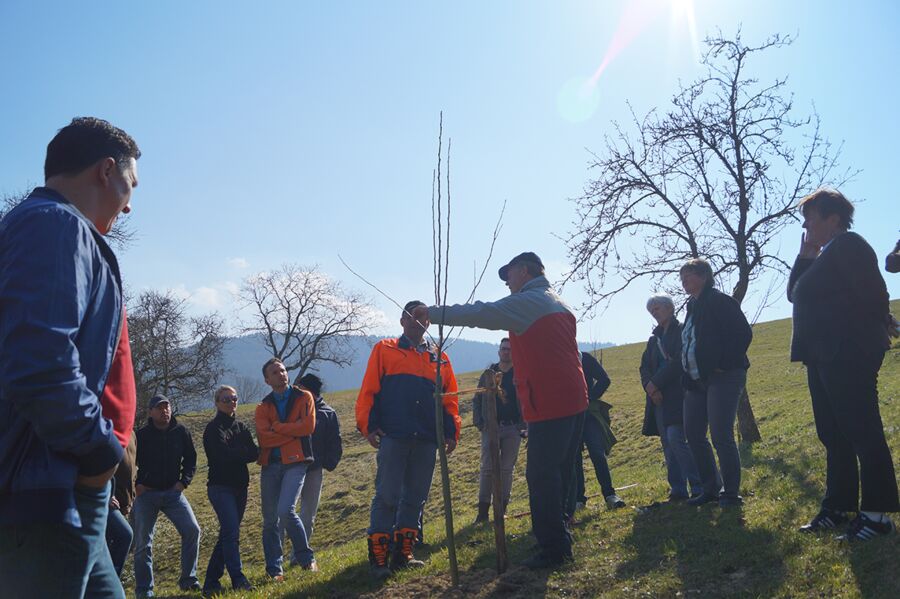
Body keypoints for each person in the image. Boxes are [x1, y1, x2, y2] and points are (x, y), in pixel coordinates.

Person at [0, 117, 140, 599]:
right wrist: (99, 451)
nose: (131, 200)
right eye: (131, 182)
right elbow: (41, 363)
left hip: (67, 481)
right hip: (53, 486)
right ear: (106, 170)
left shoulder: (52, 227)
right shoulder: (54, 225)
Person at [423, 252, 588, 569]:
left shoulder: (529, 302)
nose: (507, 282)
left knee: (541, 475)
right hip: (573, 397)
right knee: (561, 470)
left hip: (550, 401)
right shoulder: (558, 301)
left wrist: (432, 313)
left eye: (508, 275)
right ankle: (561, 532)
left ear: (524, 271)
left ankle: (553, 549)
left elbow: (483, 313)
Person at [787, 188, 898, 539]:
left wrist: (883, 319)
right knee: (833, 435)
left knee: (862, 430)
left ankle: (878, 516)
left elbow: (874, 290)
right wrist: (806, 254)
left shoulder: (850, 245)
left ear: (832, 218)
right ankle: (838, 507)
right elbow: (795, 292)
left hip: (849, 350)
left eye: (810, 217)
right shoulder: (823, 255)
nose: (806, 224)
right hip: (823, 355)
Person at [356, 300, 460, 579]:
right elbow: (369, 390)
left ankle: (404, 554)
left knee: (416, 497)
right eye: (413, 316)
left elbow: (450, 399)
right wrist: (369, 426)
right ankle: (378, 559)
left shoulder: (439, 358)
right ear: (402, 321)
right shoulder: (385, 349)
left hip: (427, 437)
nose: (419, 321)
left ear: (429, 322)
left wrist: (452, 431)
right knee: (387, 495)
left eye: (424, 317)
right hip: (394, 434)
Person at [679, 258, 752, 508]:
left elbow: (743, 333)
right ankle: (710, 489)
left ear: (703, 276)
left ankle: (731, 494)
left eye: (688, 275)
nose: (684, 281)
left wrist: (724, 363)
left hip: (724, 376)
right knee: (694, 434)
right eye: (682, 277)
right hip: (696, 381)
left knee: (721, 435)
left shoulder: (720, 301)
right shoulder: (691, 306)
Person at [133, 395, 201, 597]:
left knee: (192, 530)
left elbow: (191, 459)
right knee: (143, 543)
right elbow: (129, 461)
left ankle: (189, 580)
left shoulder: (181, 432)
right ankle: (145, 590)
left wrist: (183, 482)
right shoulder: (142, 435)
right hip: (147, 495)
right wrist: (137, 485)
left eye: (167, 406)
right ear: (151, 412)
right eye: (159, 408)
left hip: (173, 493)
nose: (165, 411)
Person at [256, 358, 317, 579]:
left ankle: (306, 558)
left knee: (285, 510)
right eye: (274, 372)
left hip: (296, 462)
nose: (281, 374)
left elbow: (309, 427)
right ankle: (274, 568)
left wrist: (279, 428)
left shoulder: (304, 396)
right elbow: (264, 439)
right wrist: (293, 432)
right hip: (270, 465)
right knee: (270, 519)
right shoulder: (263, 406)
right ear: (267, 380)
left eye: (282, 370)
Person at [639, 294, 701, 502]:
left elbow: (678, 363)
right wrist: (651, 388)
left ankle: (698, 485)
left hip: (679, 394)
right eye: (652, 310)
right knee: (667, 443)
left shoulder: (682, 330)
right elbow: (644, 367)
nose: (655, 313)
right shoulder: (653, 339)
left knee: (678, 439)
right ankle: (678, 489)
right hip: (658, 399)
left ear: (669, 308)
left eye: (657, 308)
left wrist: (655, 383)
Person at [202, 385, 259, 594]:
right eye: (226, 399)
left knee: (228, 534)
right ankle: (238, 579)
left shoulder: (241, 426)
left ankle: (211, 582)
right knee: (231, 533)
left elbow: (254, 453)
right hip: (220, 487)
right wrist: (241, 452)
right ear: (217, 403)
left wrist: (238, 452)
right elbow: (220, 456)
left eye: (233, 398)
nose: (231, 402)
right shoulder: (213, 428)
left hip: (240, 487)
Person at [472, 338, 526, 524]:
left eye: (510, 350)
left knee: (506, 470)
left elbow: (526, 397)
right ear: (498, 351)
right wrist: (479, 422)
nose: (506, 352)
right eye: (503, 349)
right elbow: (477, 398)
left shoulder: (520, 373)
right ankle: (482, 513)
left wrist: (524, 423)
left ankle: (501, 510)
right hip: (491, 427)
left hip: (513, 427)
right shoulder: (489, 373)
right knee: (487, 469)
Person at [574, 351, 624, 511]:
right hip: (568, 416)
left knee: (597, 453)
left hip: (589, 415)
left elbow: (604, 379)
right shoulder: (558, 358)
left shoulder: (585, 358)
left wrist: (590, 397)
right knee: (574, 458)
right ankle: (578, 500)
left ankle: (610, 495)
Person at [296, 373, 344, 541]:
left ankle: (299, 553)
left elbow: (334, 442)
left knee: (308, 514)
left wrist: (328, 463)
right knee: (286, 512)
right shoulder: (295, 410)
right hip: (291, 467)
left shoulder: (327, 413)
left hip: (313, 469)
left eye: (300, 388)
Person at [107, 431, 138, 577]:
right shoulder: (104, 428)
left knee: (107, 544)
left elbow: (132, 465)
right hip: (105, 500)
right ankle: (110, 583)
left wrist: (131, 497)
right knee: (124, 535)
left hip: (122, 502)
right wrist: (106, 494)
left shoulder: (131, 433)